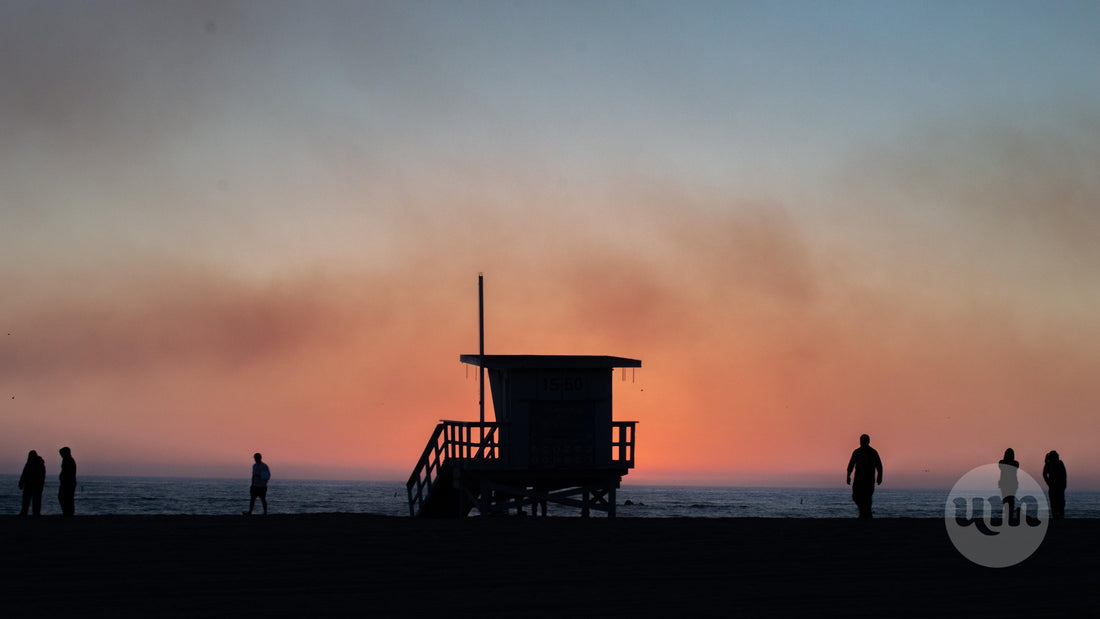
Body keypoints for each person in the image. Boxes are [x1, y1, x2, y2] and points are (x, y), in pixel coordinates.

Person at [846, 434, 883, 519]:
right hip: (858, 479)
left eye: (865, 440)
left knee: (867, 497)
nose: (863, 442)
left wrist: (879, 477)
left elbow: (879, 466)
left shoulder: (873, 452)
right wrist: (848, 476)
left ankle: (866, 514)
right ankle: (863, 512)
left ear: (868, 441)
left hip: (868, 479)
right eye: (862, 441)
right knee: (856, 496)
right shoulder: (857, 452)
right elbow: (851, 464)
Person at [18, 450, 46, 516]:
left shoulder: (38, 463)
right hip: (30, 485)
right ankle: (26, 513)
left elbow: (42, 476)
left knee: (34, 500)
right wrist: (21, 483)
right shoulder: (29, 463)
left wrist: (21, 483)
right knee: (27, 500)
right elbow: (24, 474)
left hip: (35, 485)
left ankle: (34, 514)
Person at [1043, 450, 1067, 519]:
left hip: (1058, 486)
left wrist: (1049, 483)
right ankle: (1058, 517)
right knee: (1056, 503)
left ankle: (1059, 517)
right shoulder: (1051, 464)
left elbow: (1064, 475)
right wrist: (1049, 483)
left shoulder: (1057, 463)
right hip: (1056, 486)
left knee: (1058, 503)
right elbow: (1044, 474)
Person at [998, 448, 1019, 518]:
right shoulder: (1015, 463)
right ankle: (1010, 515)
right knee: (1010, 499)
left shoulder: (1002, 462)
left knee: (1007, 499)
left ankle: (1008, 515)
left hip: (1005, 484)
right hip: (1012, 484)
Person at [58, 446, 76, 517]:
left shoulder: (68, 460)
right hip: (66, 482)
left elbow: (67, 472)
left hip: (68, 483)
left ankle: (68, 513)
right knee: (66, 497)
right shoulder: (67, 460)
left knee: (66, 497)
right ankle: (67, 512)